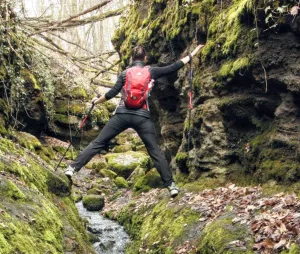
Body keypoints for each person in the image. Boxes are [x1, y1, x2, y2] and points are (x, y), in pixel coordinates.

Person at [65, 44, 204, 197]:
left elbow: (111, 94)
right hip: (142, 117)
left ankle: (72, 169)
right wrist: (193, 54)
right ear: (145, 59)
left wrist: (95, 102)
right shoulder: (151, 71)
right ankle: (171, 185)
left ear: (131, 59)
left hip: (122, 115)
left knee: (98, 143)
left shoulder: (125, 73)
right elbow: (173, 67)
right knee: (154, 151)